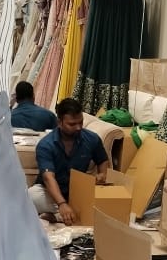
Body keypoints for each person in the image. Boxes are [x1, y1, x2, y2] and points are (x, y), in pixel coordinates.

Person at [28, 96, 109, 224]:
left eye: (80, 122)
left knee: (107, 202)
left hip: (78, 190)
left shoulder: (92, 139)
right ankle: (68, 212)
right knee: (31, 196)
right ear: (59, 122)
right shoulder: (46, 145)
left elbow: (102, 160)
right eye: (72, 124)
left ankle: (58, 216)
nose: (78, 127)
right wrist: (62, 203)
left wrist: (102, 174)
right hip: (51, 192)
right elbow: (48, 178)